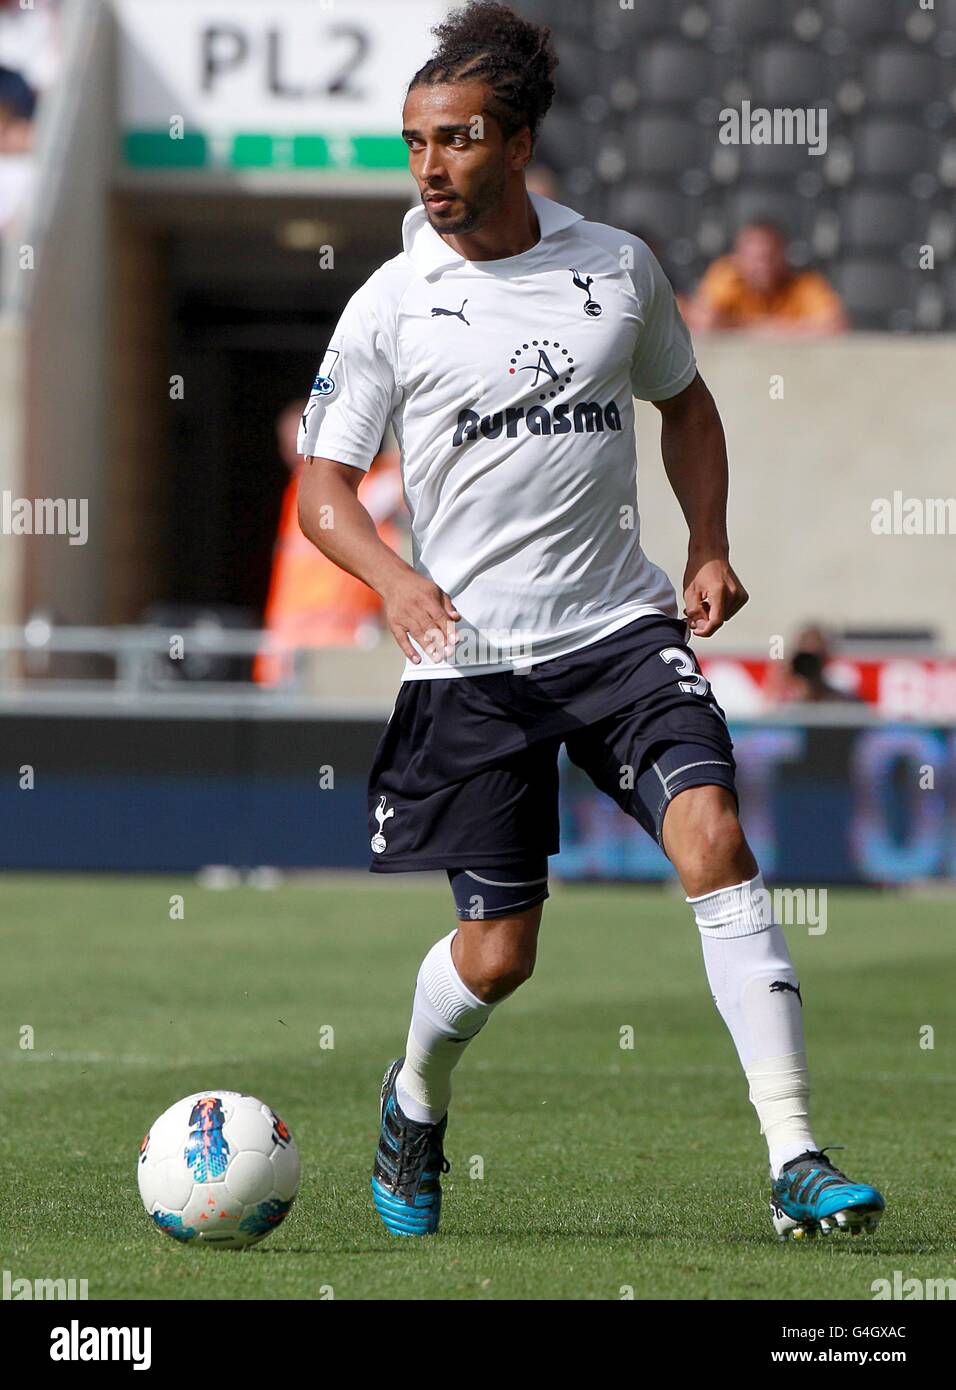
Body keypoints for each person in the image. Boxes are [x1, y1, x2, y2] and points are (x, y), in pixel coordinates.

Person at [296, 0, 883, 1242]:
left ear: (515, 144)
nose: (430, 167)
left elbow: (689, 405)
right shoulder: (391, 304)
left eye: (455, 139)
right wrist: (394, 580)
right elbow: (322, 491)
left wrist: (709, 543)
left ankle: (793, 1155)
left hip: (619, 632)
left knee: (712, 837)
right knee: (499, 957)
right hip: (474, 666)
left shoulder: (615, 265)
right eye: (413, 142)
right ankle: (412, 1099)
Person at [253, 399, 405, 685]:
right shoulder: (322, 493)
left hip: (308, 655)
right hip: (319, 656)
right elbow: (402, 482)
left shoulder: (305, 491)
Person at [684, 221, 848, 337]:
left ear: (783, 256)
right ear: (738, 257)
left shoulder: (804, 283)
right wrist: (770, 329)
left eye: (768, 257)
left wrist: (737, 326)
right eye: (753, 258)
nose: (761, 266)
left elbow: (835, 325)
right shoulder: (727, 277)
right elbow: (703, 321)